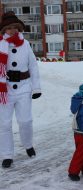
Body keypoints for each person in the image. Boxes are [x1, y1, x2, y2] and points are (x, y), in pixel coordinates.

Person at [0, 11, 41, 168]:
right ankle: (6, 155)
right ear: (3, 30)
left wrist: (36, 87)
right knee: (4, 124)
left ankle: (28, 144)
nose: (12, 30)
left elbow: (33, 65)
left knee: (25, 121)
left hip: (23, 87)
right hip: (5, 91)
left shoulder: (25, 44)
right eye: (9, 28)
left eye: (15, 27)